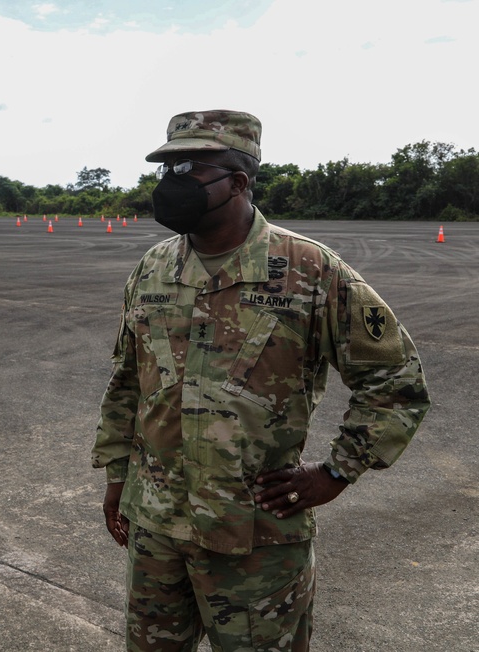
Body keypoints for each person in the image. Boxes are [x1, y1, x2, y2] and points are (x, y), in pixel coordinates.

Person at [91, 110, 430, 652]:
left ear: (239, 182)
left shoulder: (311, 270)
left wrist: (336, 472)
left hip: (255, 537)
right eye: (167, 168)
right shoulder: (152, 268)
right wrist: (116, 478)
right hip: (155, 526)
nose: (172, 183)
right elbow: (128, 380)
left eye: (191, 168)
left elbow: (396, 382)